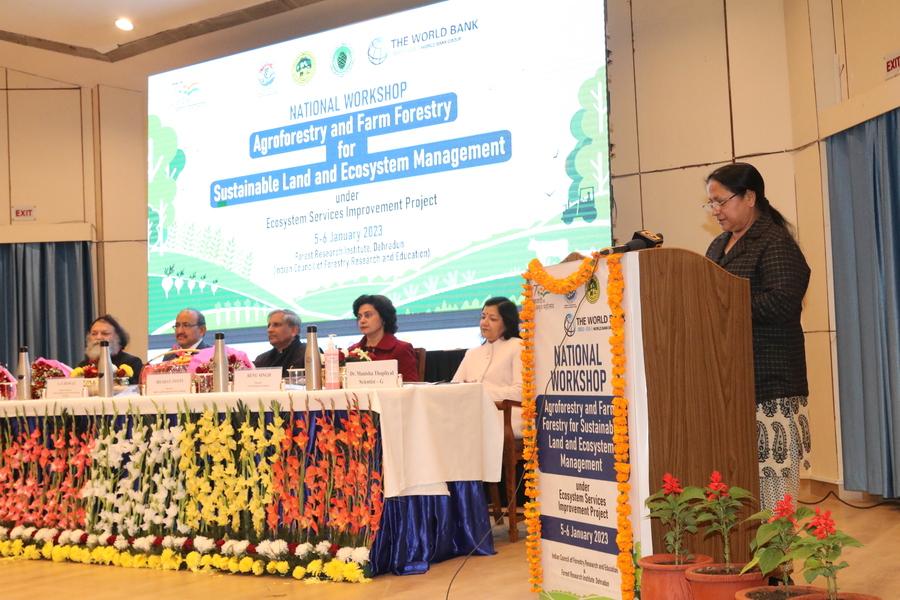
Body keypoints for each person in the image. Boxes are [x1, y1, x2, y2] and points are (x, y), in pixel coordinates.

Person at [703, 162, 811, 511]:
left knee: (773, 488)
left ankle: (776, 549)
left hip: (771, 383)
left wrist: (725, 305)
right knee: (735, 484)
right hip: (728, 385)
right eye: (711, 203)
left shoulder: (775, 242)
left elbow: (782, 302)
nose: (715, 210)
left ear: (749, 197)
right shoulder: (718, 245)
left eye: (721, 201)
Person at [453, 297, 523, 437]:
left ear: (507, 322)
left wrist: (480, 392)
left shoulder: (518, 346)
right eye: (483, 317)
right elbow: (454, 387)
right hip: (473, 414)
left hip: (506, 415)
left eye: (493, 319)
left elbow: (520, 392)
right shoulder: (472, 353)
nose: (484, 323)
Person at [347, 294, 419, 382]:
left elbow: (410, 385)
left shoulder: (401, 349)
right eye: (359, 317)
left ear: (383, 318)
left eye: (368, 315)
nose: (362, 321)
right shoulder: (352, 351)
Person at [78, 315, 144, 384]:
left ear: (118, 338)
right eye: (94, 334)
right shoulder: (83, 366)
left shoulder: (132, 363)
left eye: (105, 333)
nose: (98, 337)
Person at [253, 309, 307, 377]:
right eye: (269, 326)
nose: (269, 330)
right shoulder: (261, 360)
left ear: (294, 330)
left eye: (276, 325)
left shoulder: (309, 354)